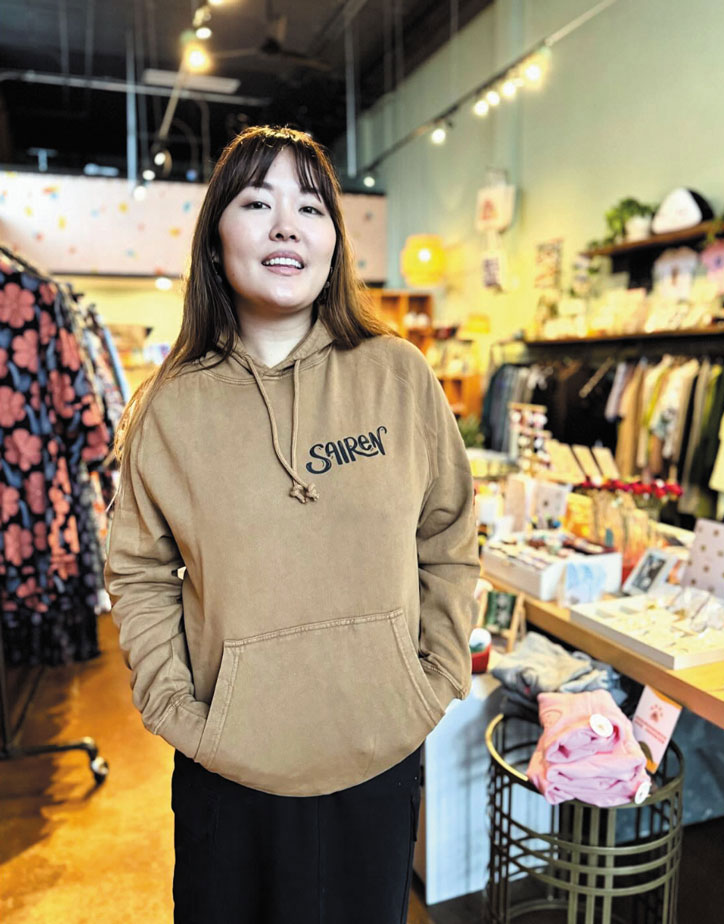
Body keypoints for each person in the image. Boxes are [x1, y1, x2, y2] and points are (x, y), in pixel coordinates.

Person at [104, 125, 479, 924]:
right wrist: (177, 707)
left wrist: (435, 675)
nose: (287, 226)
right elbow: (137, 571)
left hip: (379, 752)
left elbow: (447, 535)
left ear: (333, 242)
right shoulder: (170, 406)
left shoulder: (399, 375)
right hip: (228, 765)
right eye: (256, 203)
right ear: (215, 241)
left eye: (310, 207)